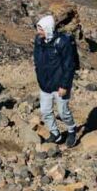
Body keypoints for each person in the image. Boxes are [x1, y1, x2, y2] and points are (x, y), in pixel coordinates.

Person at [34, 14, 79, 147]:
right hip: (45, 84)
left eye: (41, 29)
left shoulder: (62, 43)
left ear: (48, 29)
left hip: (60, 85)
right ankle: (56, 134)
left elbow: (69, 66)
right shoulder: (39, 41)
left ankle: (71, 130)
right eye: (38, 28)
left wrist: (64, 85)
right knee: (45, 111)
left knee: (63, 112)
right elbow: (37, 60)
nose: (38, 32)